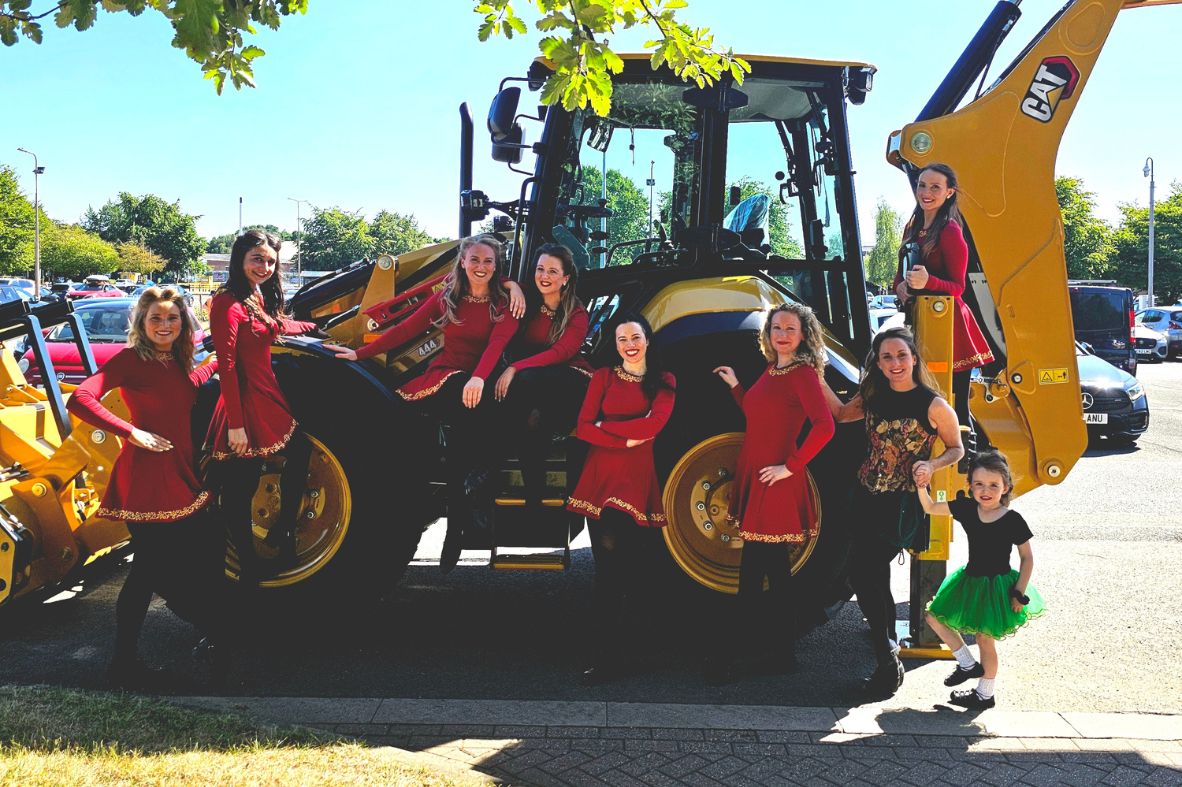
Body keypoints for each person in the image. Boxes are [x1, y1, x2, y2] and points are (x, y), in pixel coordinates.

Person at [326, 234, 522, 573]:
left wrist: (479, 378)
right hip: (449, 375)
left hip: (484, 376)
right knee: (462, 405)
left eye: (488, 261)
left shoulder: (505, 301)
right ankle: (469, 505)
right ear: (462, 262)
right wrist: (359, 352)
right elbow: (406, 329)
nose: (480, 267)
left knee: (469, 426)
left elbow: (497, 344)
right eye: (474, 260)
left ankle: (459, 523)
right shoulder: (448, 296)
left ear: (497, 266)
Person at [66, 286, 228, 689]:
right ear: (141, 322)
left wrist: (220, 361)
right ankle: (124, 663)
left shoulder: (177, 361)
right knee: (150, 571)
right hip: (147, 478)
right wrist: (131, 431)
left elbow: (190, 383)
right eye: (155, 318)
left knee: (188, 559)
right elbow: (81, 399)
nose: (164, 325)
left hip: (180, 475)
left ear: (183, 322)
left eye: (172, 318)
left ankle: (216, 636)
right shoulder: (130, 360)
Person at [832, 326, 964, 696]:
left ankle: (887, 660)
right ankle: (887, 652)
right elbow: (842, 415)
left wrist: (933, 465)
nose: (894, 363)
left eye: (901, 356)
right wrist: (811, 370)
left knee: (868, 572)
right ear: (879, 362)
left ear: (914, 359)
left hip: (902, 503)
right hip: (865, 496)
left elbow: (956, 448)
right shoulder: (872, 394)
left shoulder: (933, 404)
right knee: (866, 577)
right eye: (886, 357)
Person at [710, 303, 835, 681]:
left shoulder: (802, 374)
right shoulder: (774, 369)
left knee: (760, 573)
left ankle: (752, 654)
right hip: (759, 476)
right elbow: (756, 411)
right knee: (770, 570)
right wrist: (735, 386)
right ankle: (775, 653)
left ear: (803, 335)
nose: (782, 334)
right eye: (776, 328)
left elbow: (825, 426)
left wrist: (791, 467)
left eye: (790, 329)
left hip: (775, 483)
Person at [206, 229, 319, 593]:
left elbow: (276, 326)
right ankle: (247, 562)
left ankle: (281, 529)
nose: (265, 267)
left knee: (298, 453)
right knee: (242, 485)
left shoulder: (254, 296)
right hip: (245, 400)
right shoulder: (226, 302)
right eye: (258, 259)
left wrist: (317, 327)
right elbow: (225, 364)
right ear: (240, 258)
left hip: (266, 395)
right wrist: (236, 426)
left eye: (270, 261)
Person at [566, 313, 676, 685]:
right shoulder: (602, 378)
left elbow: (655, 425)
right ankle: (604, 658)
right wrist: (624, 437)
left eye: (635, 337)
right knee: (608, 572)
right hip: (601, 480)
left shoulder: (664, 381)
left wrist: (606, 428)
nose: (629, 344)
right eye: (621, 339)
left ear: (647, 338)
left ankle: (637, 653)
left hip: (637, 481)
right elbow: (582, 428)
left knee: (638, 571)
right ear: (614, 345)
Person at [917, 450, 1044, 709]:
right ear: (971, 486)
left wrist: (1018, 592)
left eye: (994, 485)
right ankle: (966, 663)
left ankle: (985, 694)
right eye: (979, 484)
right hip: (970, 580)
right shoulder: (966, 508)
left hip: (998, 586)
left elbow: (1027, 558)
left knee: (986, 640)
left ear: (1005, 487)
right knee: (933, 616)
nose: (986, 490)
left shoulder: (1012, 520)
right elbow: (930, 506)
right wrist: (922, 486)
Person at [894, 163, 994, 428]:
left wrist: (929, 281)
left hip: (951, 326)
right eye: (922, 185)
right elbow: (898, 275)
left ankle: (961, 463)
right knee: (924, 398)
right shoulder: (912, 226)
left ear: (949, 193)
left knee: (954, 401)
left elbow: (958, 287)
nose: (926, 192)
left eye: (935, 187)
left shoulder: (950, 230)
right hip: (921, 321)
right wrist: (900, 287)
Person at [493, 243, 592, 506]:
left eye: (552, 271)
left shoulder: (576, 313)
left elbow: (561, 352)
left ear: (565, 278)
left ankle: (490, 465)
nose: (544, 276)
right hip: (534, 386)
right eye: (540, 269)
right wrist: (511, 285)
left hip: (570, 381)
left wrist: (516, 367)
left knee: (524, 382)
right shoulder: (526, 298)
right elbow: (494, 280)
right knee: (532, 419)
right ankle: (533, 495)